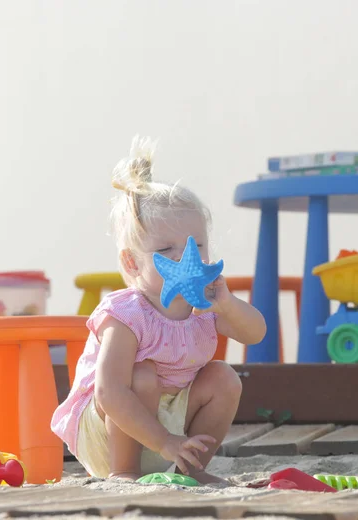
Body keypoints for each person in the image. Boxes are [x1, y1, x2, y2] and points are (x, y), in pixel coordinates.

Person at [52, 136, 266, 484]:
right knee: (143, 375)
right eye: (166, 250)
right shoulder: (126, 314)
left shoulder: (204, 302)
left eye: (196, 245)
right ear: (132, 263)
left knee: (224, 377)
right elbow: (110, 391)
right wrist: (162, 441)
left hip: (173, 427)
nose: (185, 257)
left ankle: (191, 468)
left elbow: (255, 333)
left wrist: (227, 305)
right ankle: (125, 473)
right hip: (111, 429)